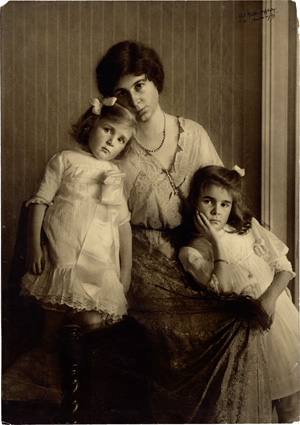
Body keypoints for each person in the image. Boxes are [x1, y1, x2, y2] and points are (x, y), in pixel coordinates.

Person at [94, 40, 273, 423]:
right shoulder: (115, 147)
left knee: (241, 321)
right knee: (188, 332)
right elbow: (101, 219)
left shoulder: (192, 134)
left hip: (197, 250)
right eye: (122, 93)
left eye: (140, 85)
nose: (135, 99)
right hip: (144, 261)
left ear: (155, 80)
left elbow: (225, 198)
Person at [179, 165, 299, 423]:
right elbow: (221, 291)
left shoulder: (248, 227)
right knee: (258, 403)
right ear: (194, 202)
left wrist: (267, 302)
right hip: (243, 331)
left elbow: (285, 269)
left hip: (278, 314)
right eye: (208, 201)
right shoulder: (192, 252)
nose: (216, 211)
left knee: (291, 402)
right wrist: (216, 242)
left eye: (224, 204)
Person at [21, 97, 136, 352]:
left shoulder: (115, 176)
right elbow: (39, 202)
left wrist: (126, 269)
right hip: (63, 256)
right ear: (91, 124)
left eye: (121, 140)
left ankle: (83, 384)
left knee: (93, 325)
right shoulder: (65, 160)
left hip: (97, 264)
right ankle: (48, 379)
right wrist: (34, 247)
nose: (111, 141)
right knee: (52, 324)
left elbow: (122, 225)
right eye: (108, 130)